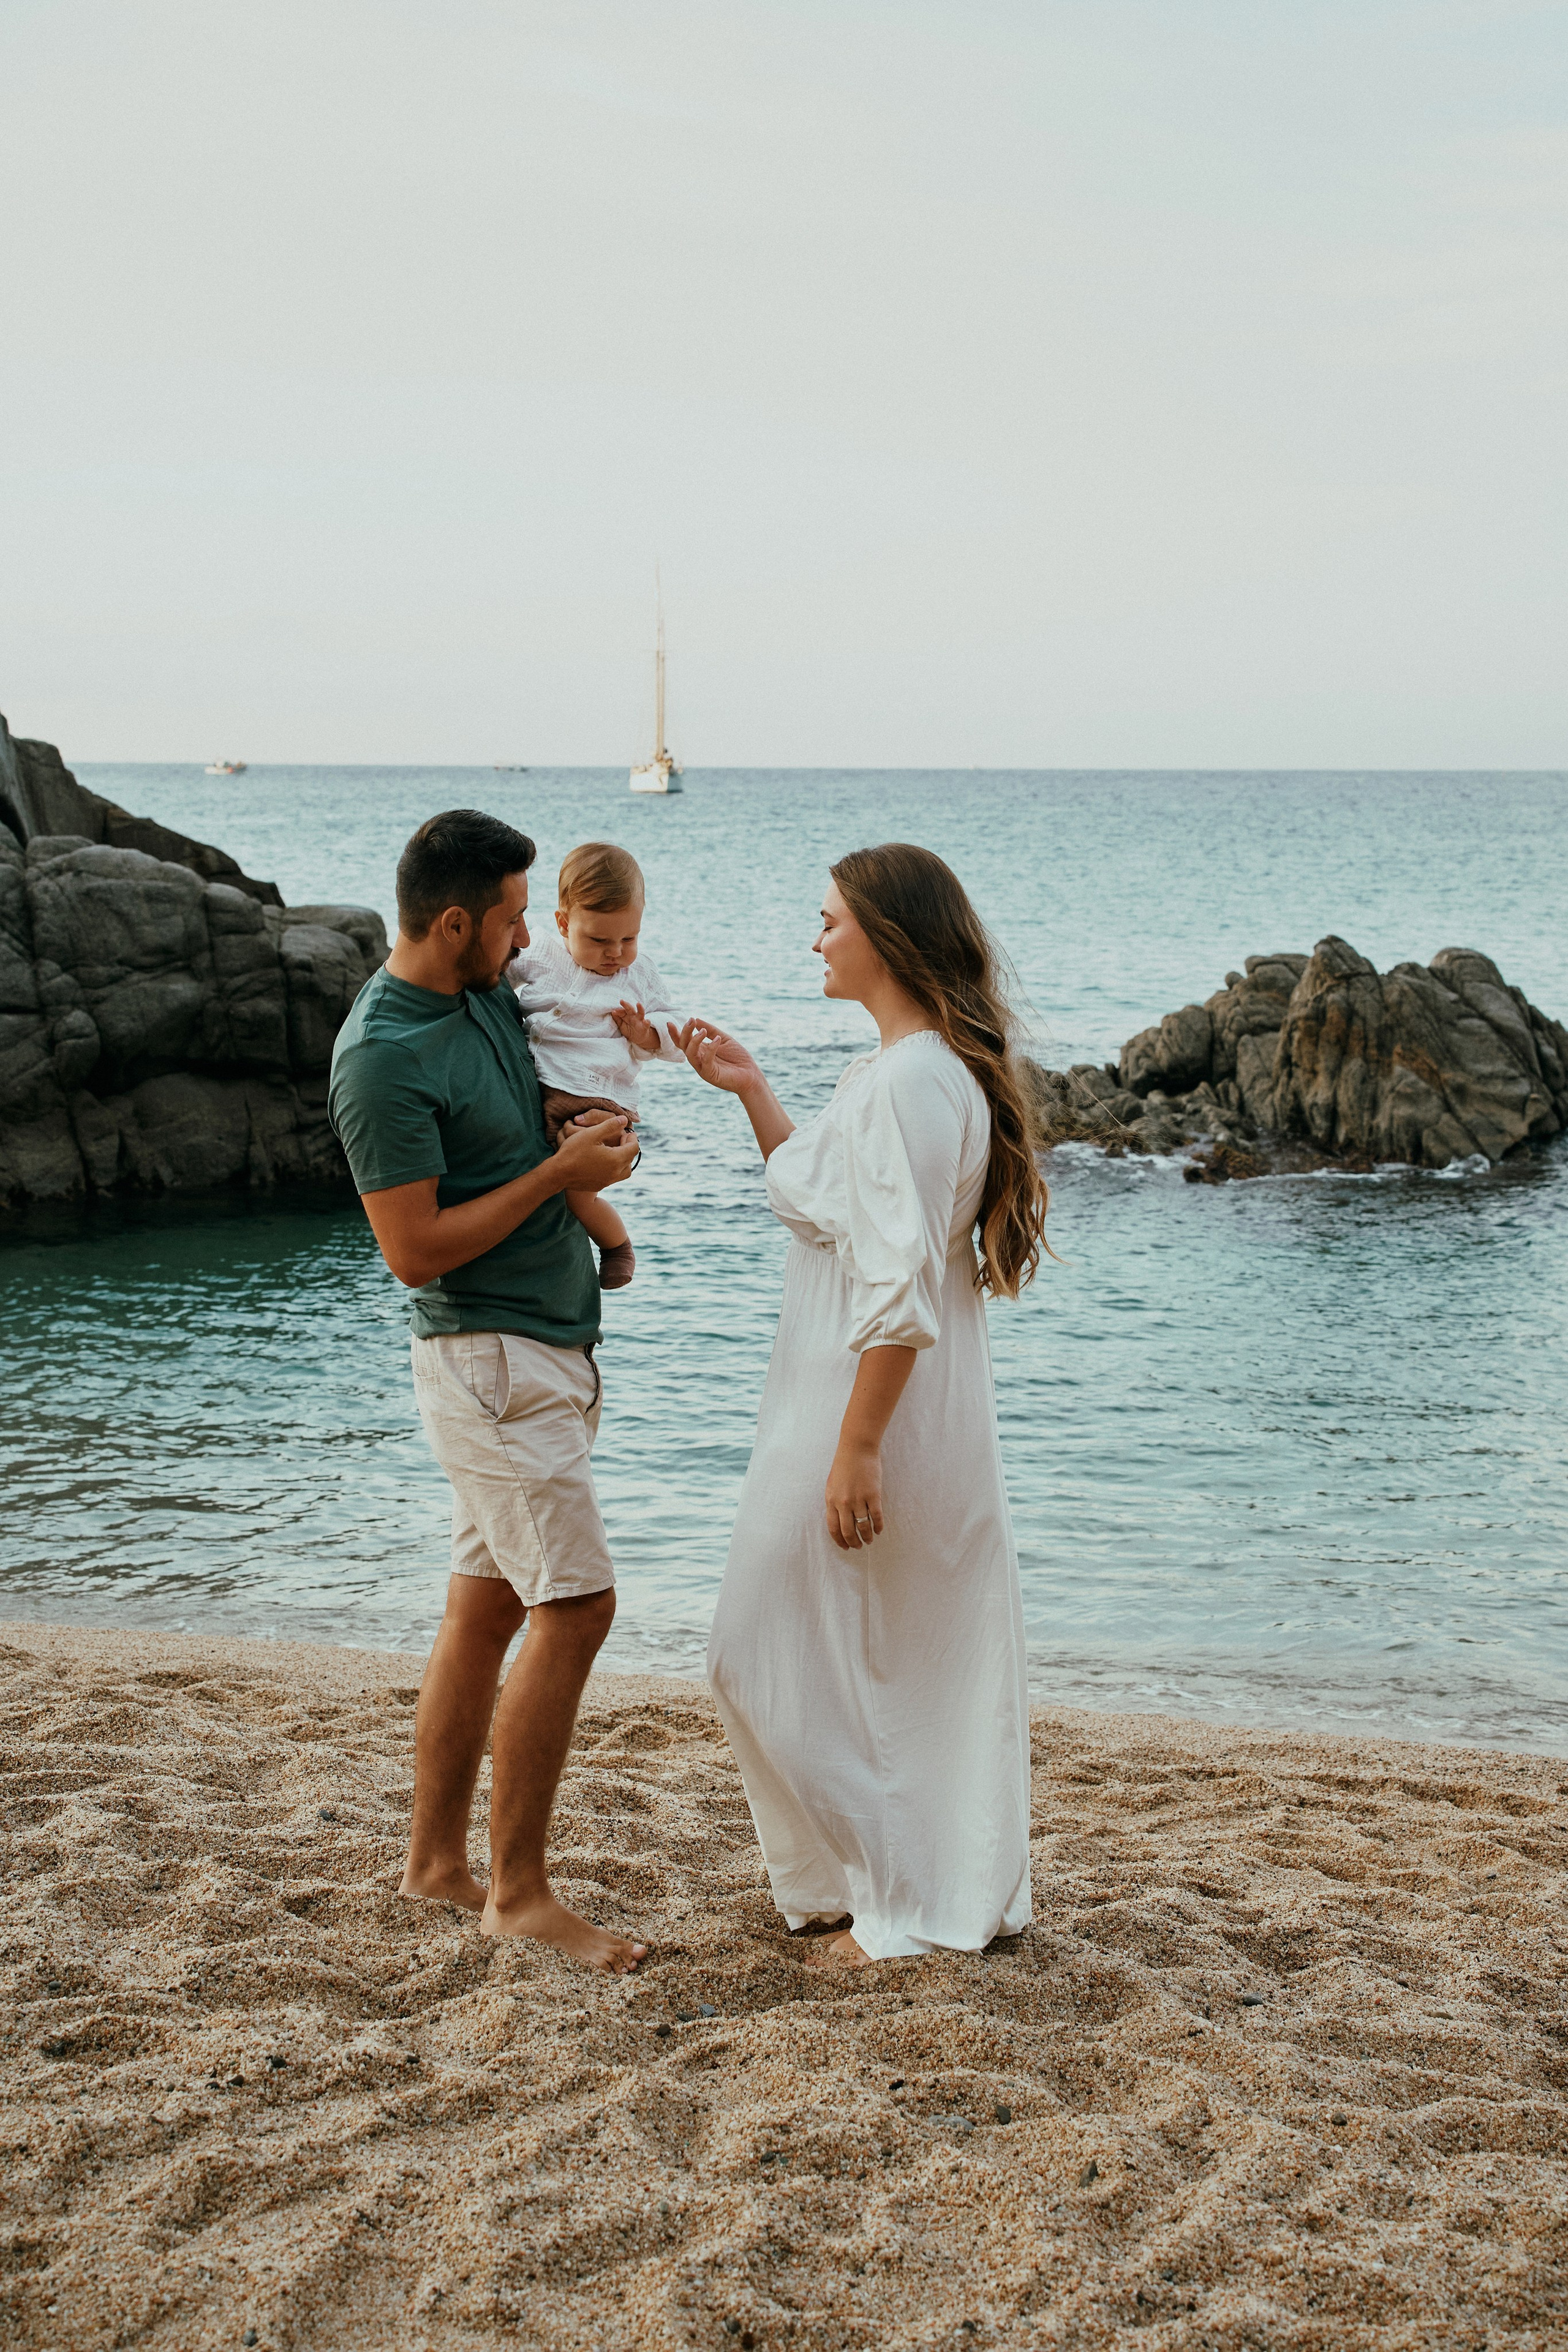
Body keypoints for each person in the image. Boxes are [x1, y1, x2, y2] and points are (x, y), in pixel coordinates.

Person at [673, 843, 1050, 1966]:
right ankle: (873, 1887)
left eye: (830, 919)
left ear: (886, 937)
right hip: (876, 1413)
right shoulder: (899, 1075)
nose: (816, 936)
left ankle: (902, 1900)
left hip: (871, 1415)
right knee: (876, 1657)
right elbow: (830, 1205)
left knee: (757, 1645)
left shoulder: (909, 1082)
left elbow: (895, 1292)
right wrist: (751, 1092)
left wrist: (857, 1449)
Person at [328, 807, 647, 1974]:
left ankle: (434, 1866)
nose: (529, 940)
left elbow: (509, 1116)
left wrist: (564, 1124)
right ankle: (520, 1895)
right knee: (578, 1607)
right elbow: (413, 1250)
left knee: (487, 1608)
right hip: (489, 1360)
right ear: (454, 921)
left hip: (544, 1348)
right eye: (514, 919)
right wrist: (561, 1176)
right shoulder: (382, 1056)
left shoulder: (480, 997)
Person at [507, 840, 685, 1292]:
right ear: (564, 924)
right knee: (525, 1168)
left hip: (599, 1096)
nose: (616, 953)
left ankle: (616, 1245)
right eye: (599, 940)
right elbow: (499, 969)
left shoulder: (638, 974)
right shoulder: (543, 955)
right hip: (542, 1088)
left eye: (629, 938)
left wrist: (647, 1034)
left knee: (577, 1192)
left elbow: (675, 1031)